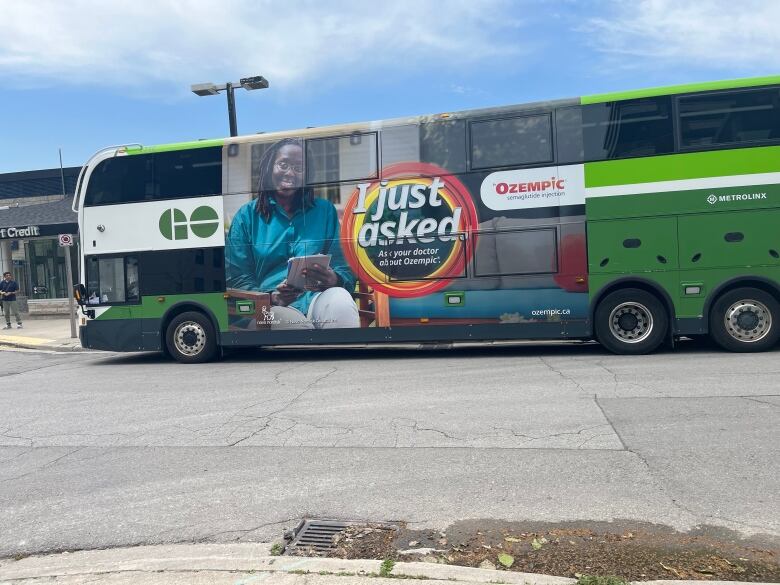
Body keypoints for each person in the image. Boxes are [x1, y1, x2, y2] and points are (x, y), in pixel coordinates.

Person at [226, 137, 359, 330]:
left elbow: (343, 265)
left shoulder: (324, 211)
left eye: (299, 168)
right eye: (283, 164)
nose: (290, 173)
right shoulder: (246, 217)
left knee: (341, 304)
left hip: (316, 298)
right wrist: (272, 297)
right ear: (270, 167)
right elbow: (237, 278)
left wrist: (335, 279)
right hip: (271, 306)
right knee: (298, 328)